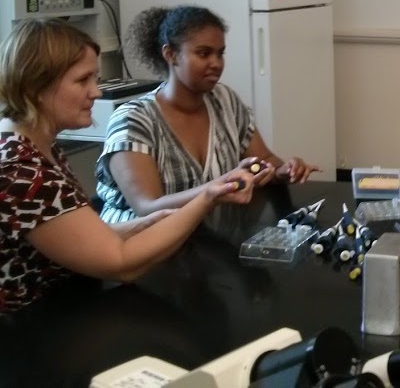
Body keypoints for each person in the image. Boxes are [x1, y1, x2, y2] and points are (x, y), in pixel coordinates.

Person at [0, 19, 254, 312]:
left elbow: (75, 236)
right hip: (29, 332)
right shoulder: (21, 169)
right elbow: (121, 263)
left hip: (61, 309)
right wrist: (206, 198)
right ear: (37, 84)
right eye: (83, 81)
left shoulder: (37, 146)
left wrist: (143, 225)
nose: (95, 92)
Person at [96, 6, 320, 223]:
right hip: (138, 247)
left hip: (204, 236)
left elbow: (266, 161)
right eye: (203, 53)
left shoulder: (225, 101)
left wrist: (283, 171)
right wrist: (218, 187)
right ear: (171, 55)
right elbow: (147, 207)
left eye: (220, 54)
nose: (216, 64)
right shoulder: (134, 119)